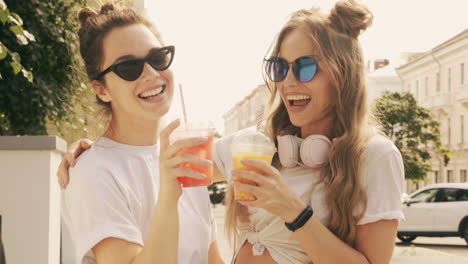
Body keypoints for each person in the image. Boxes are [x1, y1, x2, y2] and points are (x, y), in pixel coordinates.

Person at [59, 1, 405, 263]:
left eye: (306, 66)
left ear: (344, 73)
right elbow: (134, 161)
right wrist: (92, 152)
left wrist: (294, 212)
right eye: (280, 67)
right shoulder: (256, 145)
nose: (287, 81)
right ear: (100, 87)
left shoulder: (375, 156)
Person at [60, 3, 224, 264]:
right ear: (101, 89)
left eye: (157, 58)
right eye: (128, 67)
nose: (151, 73)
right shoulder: (93, 171)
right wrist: (169, 196)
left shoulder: (184, 155)